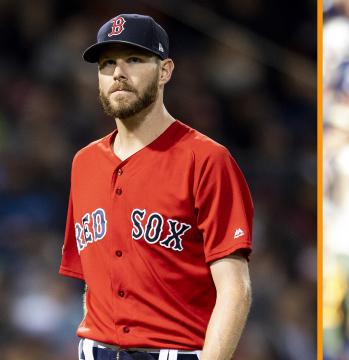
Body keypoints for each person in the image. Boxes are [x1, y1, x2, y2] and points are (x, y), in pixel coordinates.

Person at [59, 14, 254, 360]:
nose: (118, 73)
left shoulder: (206, 159)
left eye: (133, 59)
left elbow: (235, 290)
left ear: (165, 71)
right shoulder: (84, 163)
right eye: (107, 64)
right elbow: (91, 280)